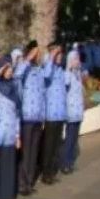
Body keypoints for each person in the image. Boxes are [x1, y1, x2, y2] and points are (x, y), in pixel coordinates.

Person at [14, 42, 46, 195]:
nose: (37, 55)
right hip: (26, 117)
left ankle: (30, 182)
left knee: (34, 152)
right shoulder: (23, 68)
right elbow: (17, 75)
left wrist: (43, 115)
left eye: (37, 53)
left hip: (37, 117)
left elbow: (43, 95)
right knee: (26, 153)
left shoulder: (39, 70)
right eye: (35, 53)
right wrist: (28, 58)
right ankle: (22, 184)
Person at [0, 61, 21, 199]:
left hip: (10, 133)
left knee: (9, 165)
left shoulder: (14, 88)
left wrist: (17, 135)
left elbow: (17, 114)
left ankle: (7, 196)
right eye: (7, 70)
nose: (9, 72)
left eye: (10, 69)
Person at [39, 44, 67, 185]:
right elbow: (45, 75)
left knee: (56, 146)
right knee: (48, 146)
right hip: (50, 114)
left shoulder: (61, 70)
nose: (59, 56)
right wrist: (51, 56)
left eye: (60, 54)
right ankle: (46, 173)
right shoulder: (47, 67)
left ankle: (52, 171)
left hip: (60, 114)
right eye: (57, 54)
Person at [61, 49, 86, 174]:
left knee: (74, 139)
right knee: (69, 139)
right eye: (75, 59)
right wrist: (68, 69)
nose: (78, 61)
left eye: (78, 59)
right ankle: (65, 163)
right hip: (71, 112)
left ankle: (70, 162)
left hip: (78, 112)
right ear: (70, 60)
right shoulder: (67, 74)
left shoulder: (78, 74)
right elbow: (64, 85)